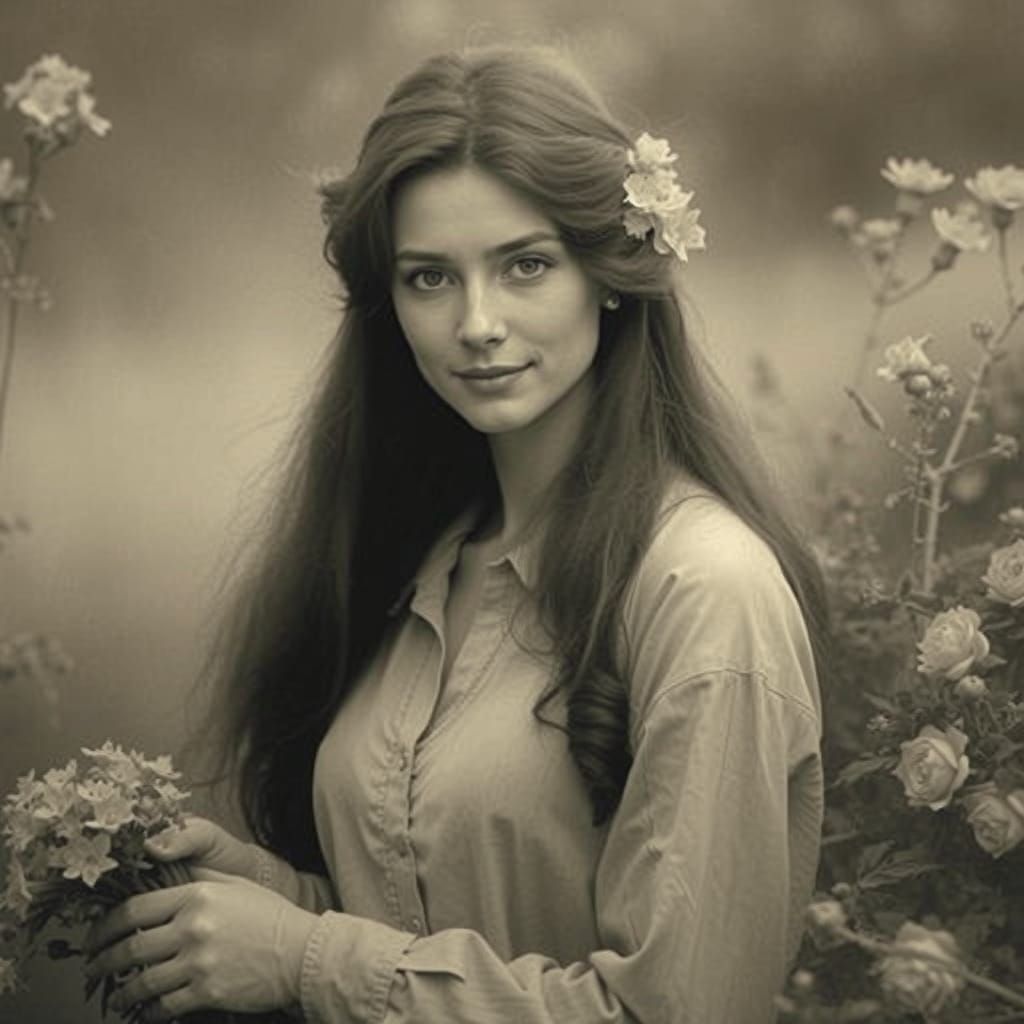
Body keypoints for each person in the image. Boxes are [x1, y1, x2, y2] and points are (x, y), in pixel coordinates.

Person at [85, 43, 828, 1024]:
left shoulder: (704, 589)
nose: (476, 322)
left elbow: (673, 1010)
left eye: (524, 265)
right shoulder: (415, 561)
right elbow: (422, 935)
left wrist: (308, 956)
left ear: (608, 272)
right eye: (429, 278)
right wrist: (270, 901)